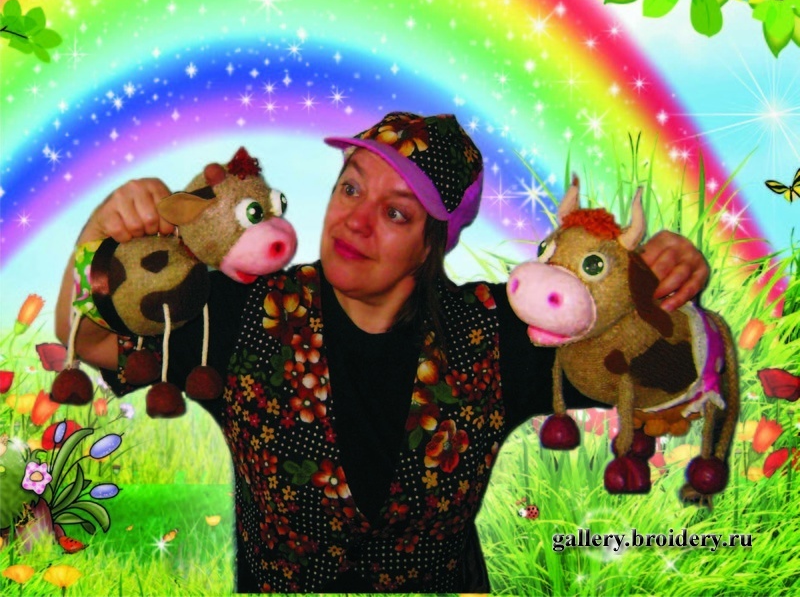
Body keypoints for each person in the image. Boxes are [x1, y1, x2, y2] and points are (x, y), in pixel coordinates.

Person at [55, 112, 709, 593]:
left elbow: (672, 378)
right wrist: (98, 231)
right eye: (350, 187)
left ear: (432, 244)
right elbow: (82, 338)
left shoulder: (502, 331)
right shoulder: (243, 308)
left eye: (396, 213)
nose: (356, 220)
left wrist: (664, 290)